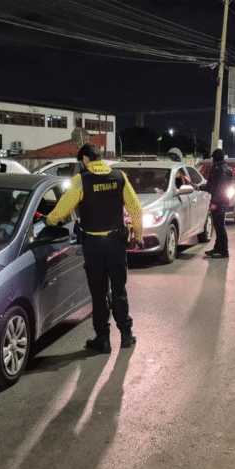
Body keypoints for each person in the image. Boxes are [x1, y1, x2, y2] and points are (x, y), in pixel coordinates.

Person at [46, 143, 144, 353]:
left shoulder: (81, 180)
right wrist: (139, 235)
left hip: (94, 247)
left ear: (86, 160)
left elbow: (62, 209)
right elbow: (136, 208)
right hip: (116, 245)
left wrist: (49, 222)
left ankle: (103, 339)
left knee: (99, 295)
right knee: (119, 291)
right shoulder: (119, 177)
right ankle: (126, 335)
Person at [200, 148, 233, 258]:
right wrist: (199, 187)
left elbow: (218, 189)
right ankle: (218, 248)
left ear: (215, 159)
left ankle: (224, 250)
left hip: (219, 202)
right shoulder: (224, 169)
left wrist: (215, 203)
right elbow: (211, 186)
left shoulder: (220, 170)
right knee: (218, 226)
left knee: (220, 227)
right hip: (222, 201)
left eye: (213, 158)